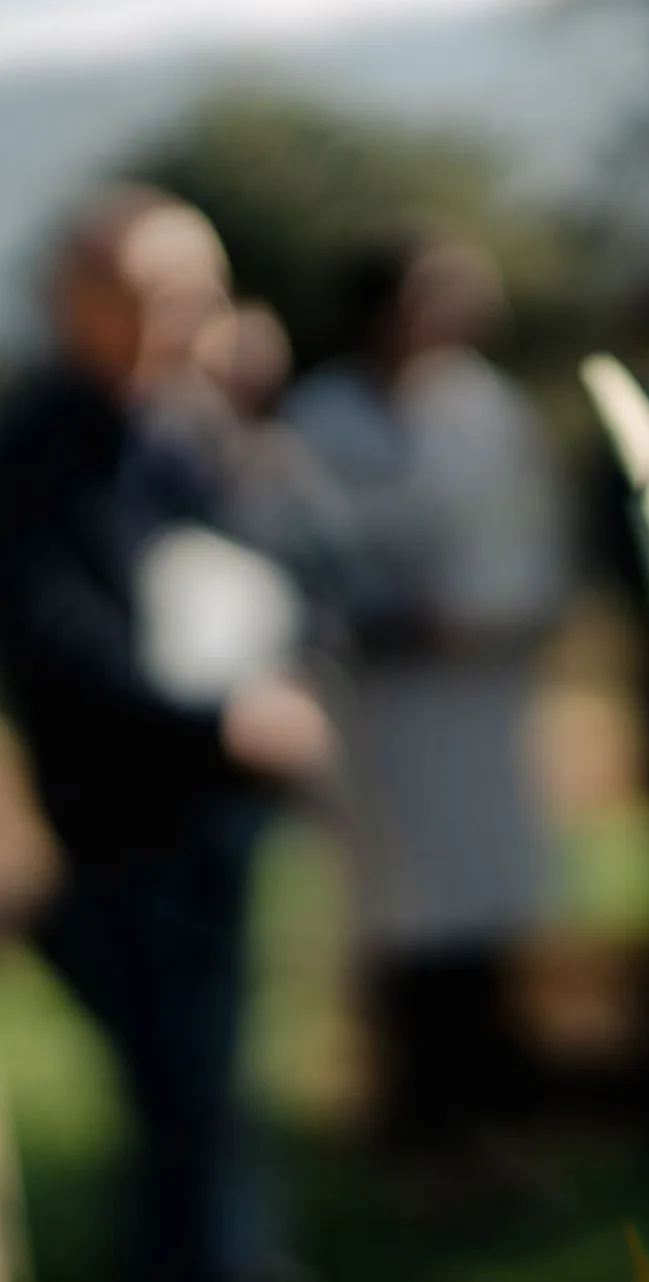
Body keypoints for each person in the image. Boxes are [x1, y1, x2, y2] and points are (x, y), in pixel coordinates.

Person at [0, 186, 330, 1281]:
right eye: (159, 293)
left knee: (215, 1092)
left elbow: (293, 582)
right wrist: (221, 720)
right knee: (182, 1095)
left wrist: (291, 681)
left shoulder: (201, 432)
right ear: (78, 302)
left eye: (203, 293)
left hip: (219, 822)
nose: (189, 319)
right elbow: (61, 650)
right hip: (118, 832)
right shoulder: (38, 455)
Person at [285, 232, 570, 1181]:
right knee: (400, 920)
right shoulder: (323, 418)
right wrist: (395, 620)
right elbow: (306, 553)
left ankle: (497, 1120)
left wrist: (506, 615)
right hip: (383, 705)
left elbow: (536, 536)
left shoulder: (488, 410)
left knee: (487, 914)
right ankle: (415, 1128)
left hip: (481, 699)